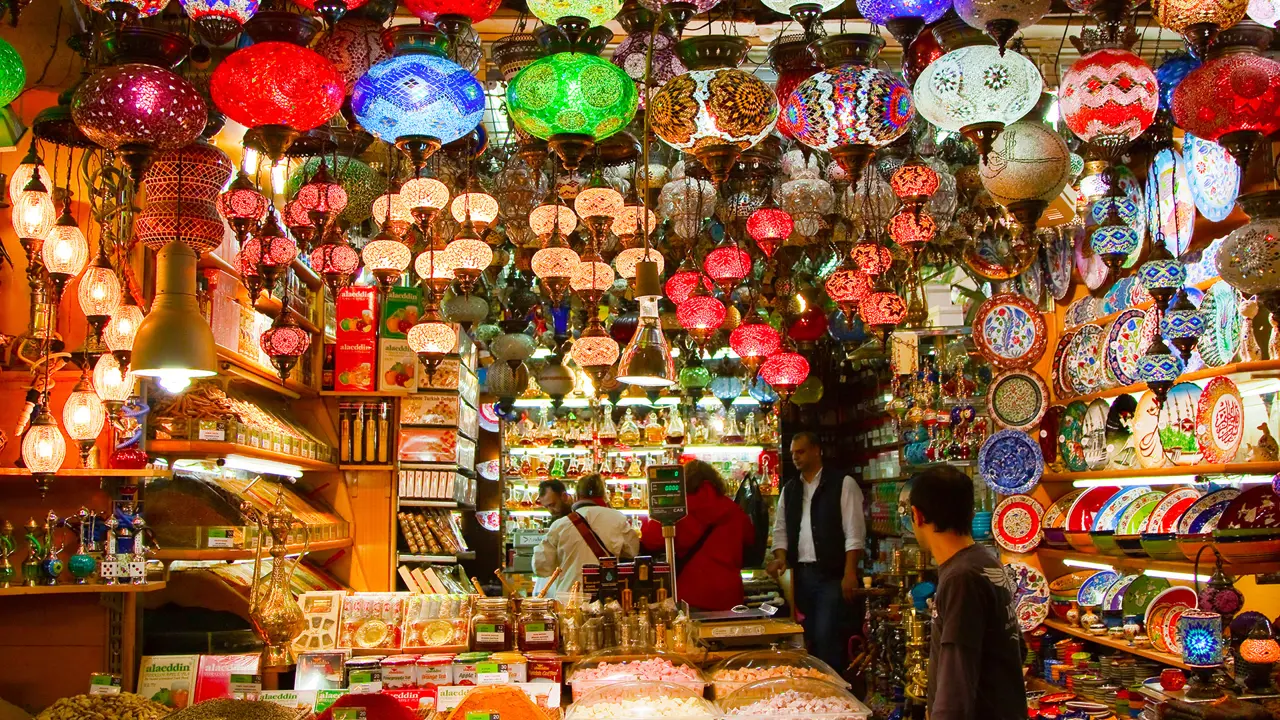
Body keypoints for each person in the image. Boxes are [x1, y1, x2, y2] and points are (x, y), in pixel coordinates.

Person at [908, 466, 1026, 720]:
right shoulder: (985, 561)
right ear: (971, 513)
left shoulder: (961, 578)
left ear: (917, 516)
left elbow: (956, 678)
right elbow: (1018, 646)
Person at [766, 431, 865, 673]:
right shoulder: (790, 490)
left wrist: (849, 572)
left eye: (800, 452)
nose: (796, 458)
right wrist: (780, 558)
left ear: (816, 450)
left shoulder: (842, 483)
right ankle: (817, 689)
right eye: (792, 454)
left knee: (827, 635)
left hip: (832, 574)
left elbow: (854, 532)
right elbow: (780, 531)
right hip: (802, 576)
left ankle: (834, 689)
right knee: (808, 634)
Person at [639, 460, 755, 611]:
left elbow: (651, 541)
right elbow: (750, 540)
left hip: (691, 594)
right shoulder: (733, 510)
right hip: (729, 595)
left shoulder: (677, 508)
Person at [533, 473, 638, 599]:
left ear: (576, 496)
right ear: (604, 495)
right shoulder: (618, 518)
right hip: (606, 596)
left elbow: (541, 566)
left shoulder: (560, 524)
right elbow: (633, 551)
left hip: (570, 598)